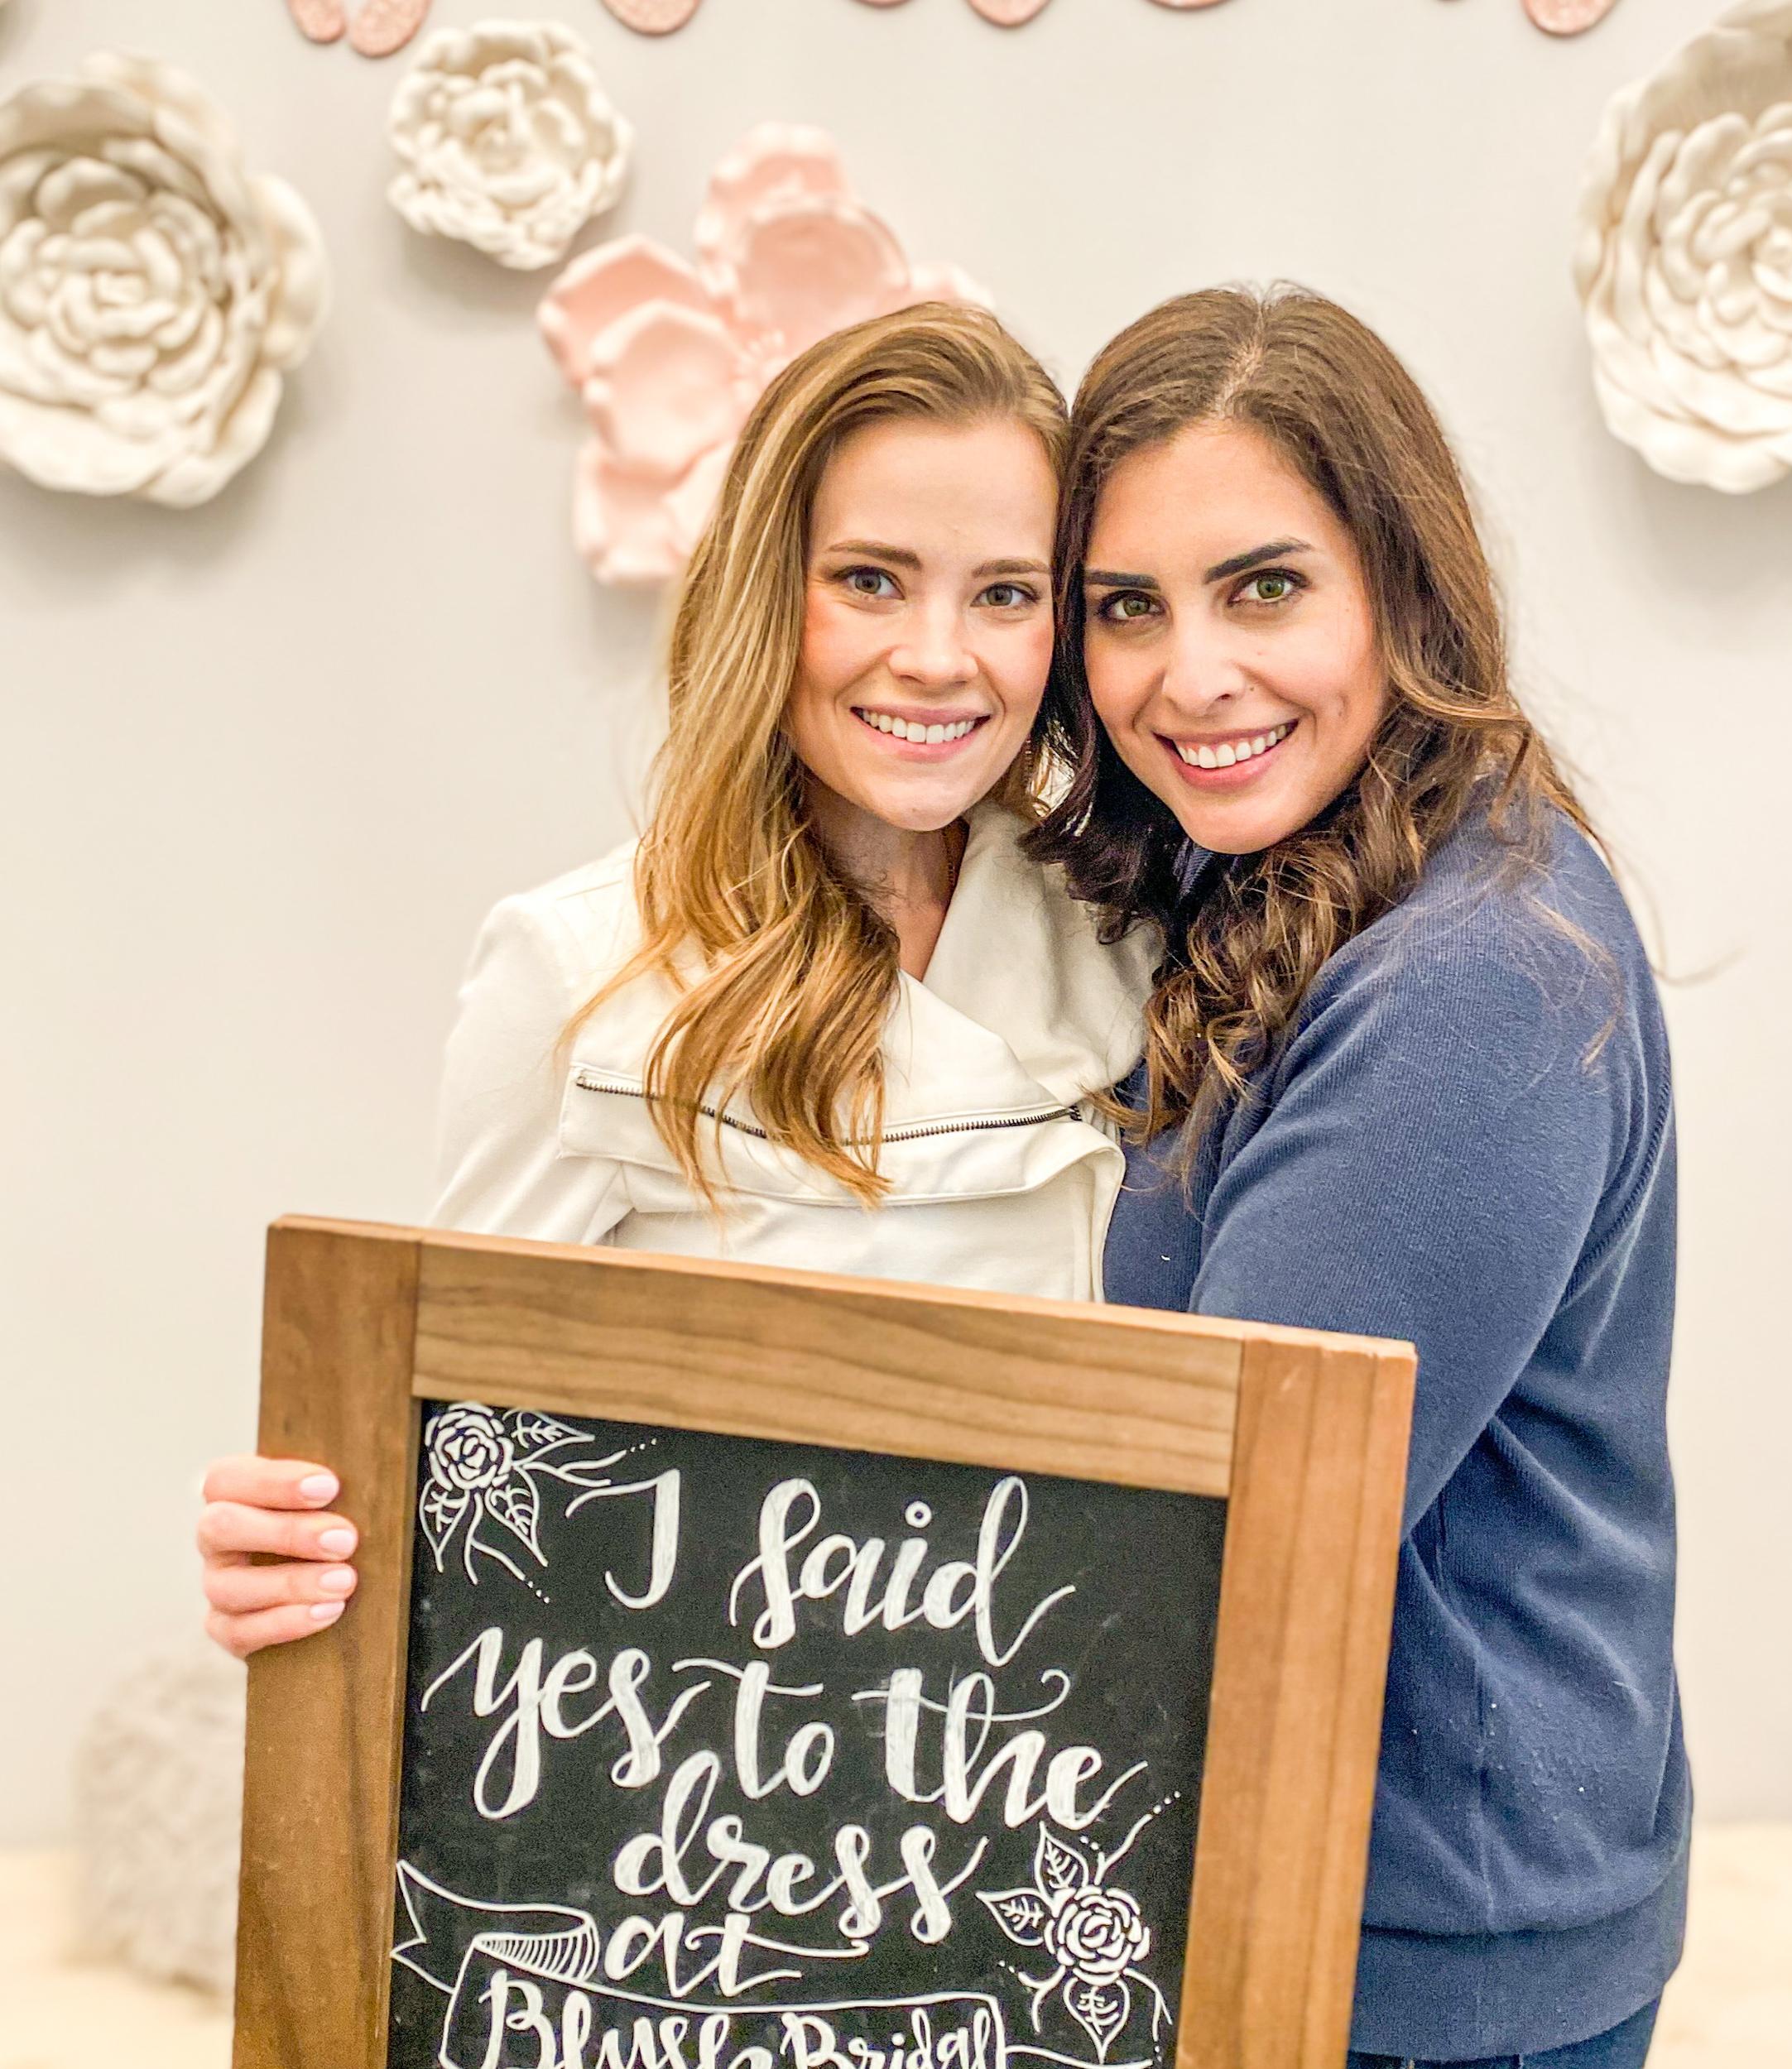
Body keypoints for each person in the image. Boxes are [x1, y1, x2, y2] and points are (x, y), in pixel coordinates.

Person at [197, 303, 1152, 1662]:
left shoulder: (1129, 939)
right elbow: (456, 1458)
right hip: (718, 1743)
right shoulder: (580, 973)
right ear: (766, 590)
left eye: (1004, 593)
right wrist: (299, 1557)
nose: (940, 657)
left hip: (1045, 1719)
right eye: (870, 580)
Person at [1027, 285, 1686, 2068]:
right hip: (1343, 1890)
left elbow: (1224, 1529)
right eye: (1126, 607)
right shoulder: (1277, 866)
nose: (1190, 675)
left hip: (1416, 1957)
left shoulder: (1470, 975)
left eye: (1263, 587)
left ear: (1403, 586)